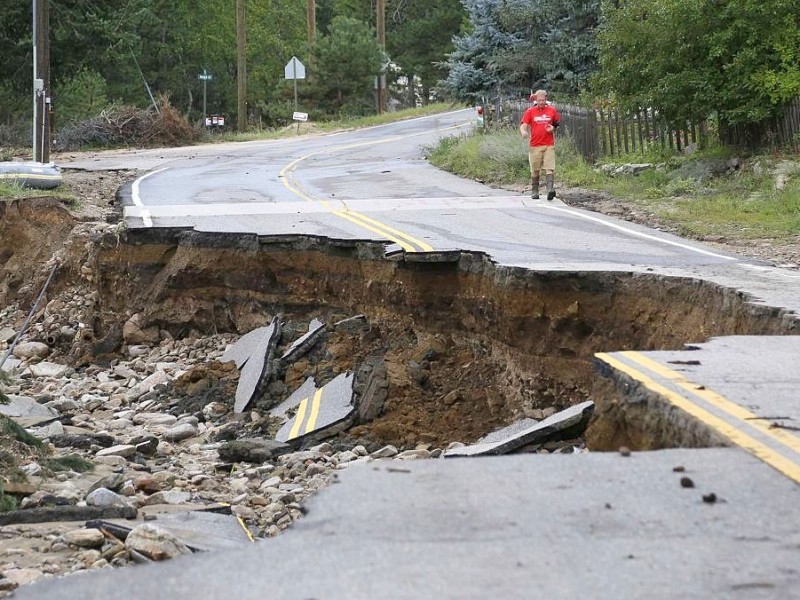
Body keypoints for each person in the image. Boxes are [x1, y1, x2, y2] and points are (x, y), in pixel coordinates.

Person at [520, 90, 561, 200]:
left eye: (543, 100)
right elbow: (523, 125)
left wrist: (553, 128)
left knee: (550, 168)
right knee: (535, 170)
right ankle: (535, 191)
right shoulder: (530, 111)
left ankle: (550, 190)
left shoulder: (552, 110)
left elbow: (556, 124)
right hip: (535, 145)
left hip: (549, 144)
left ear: (546, 99)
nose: (541, 102)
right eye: (539, 100)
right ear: (536, 100)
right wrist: (523, 132)